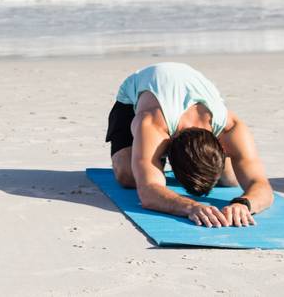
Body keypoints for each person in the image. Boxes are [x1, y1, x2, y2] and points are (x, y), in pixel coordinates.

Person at [106, 61, 271, 227]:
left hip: (188, 85)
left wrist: (244, 204)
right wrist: (191, 207)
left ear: (221, 145)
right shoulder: (150, 124)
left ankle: (151, 161)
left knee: (230, 180)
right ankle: (153, 160)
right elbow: (147, 191)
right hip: (134, 98)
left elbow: (261, 184)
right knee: (129, 177)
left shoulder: (230, 127)